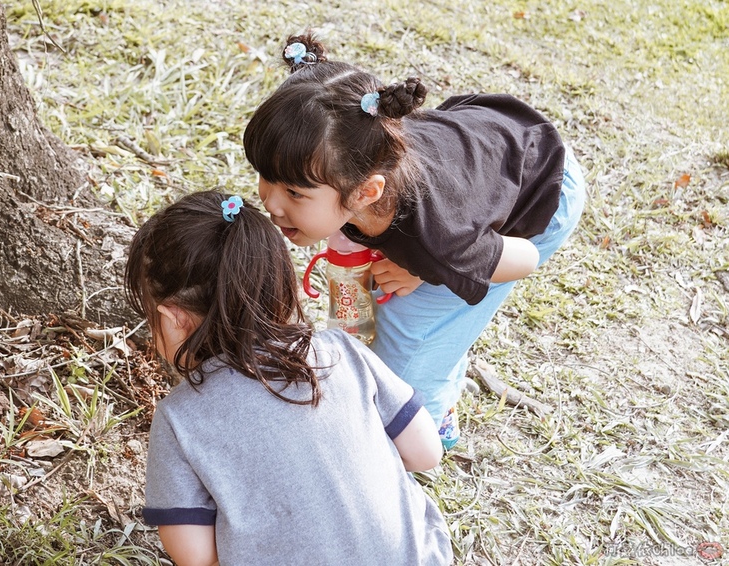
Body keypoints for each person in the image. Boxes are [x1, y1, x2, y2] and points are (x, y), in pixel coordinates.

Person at [243, 33, 587, 450]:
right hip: (483, 141)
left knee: (410, 342)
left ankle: (433, 426)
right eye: (266, 177)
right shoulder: (357, 144)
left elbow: (525, 258)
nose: (271, 204)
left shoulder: (438, 241)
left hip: (537, 192)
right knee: (377, 288)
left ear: (365, 193)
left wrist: (426, 269)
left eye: (294, 193)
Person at [125, 190, 453, 566]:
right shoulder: (342, 352)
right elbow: (427, 452)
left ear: (172, 318)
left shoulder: (179, 417)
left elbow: (195, 556)